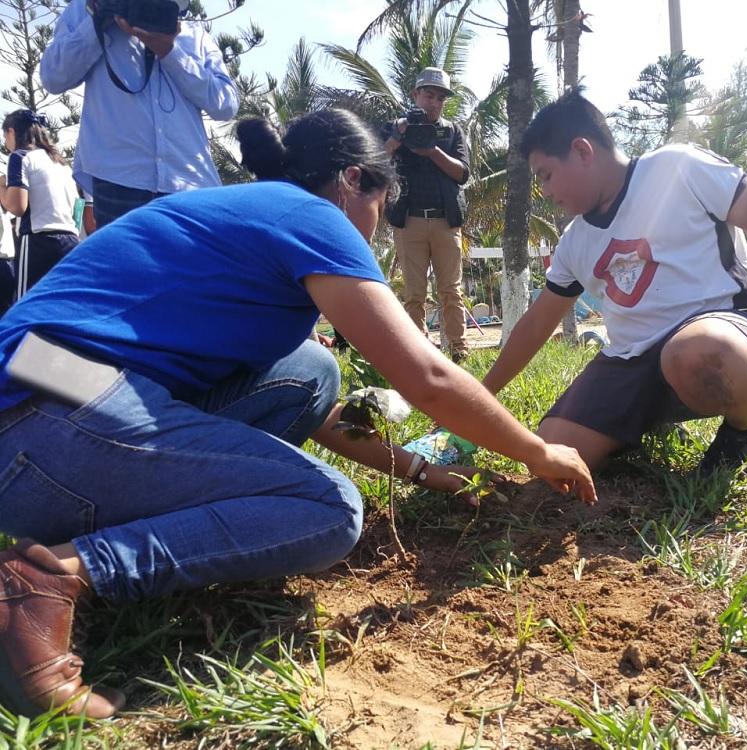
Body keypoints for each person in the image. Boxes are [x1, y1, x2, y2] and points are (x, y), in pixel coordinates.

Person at [0, 109, 595, 720]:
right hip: (41, 419)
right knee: (329, 510)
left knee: (310, 368)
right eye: (379, 207)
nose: (373, 233)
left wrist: (421, 470)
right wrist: (537, 450)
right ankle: (48, 575)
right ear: (352, 180)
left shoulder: (251, 214)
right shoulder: (314, 216)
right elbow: (429, 378)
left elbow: (316, 407)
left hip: (50, 403)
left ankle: (117, 540)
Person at [482, 89, 747, 476]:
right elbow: (537, 324)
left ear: (583, 151)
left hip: (722, 330)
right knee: (555, 452)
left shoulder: (678, 169)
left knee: (696, 355)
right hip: (631, 358)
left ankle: (746, 424)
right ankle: (647, 418)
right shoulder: (575, 241)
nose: (545, 191)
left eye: (546, 175)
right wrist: (482, 396)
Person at [40, 0, 239, 228]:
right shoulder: (87, 8)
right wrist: (97, 23)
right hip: (119, 179)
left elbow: (226, 105)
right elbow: (53, 77)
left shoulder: (195, 34)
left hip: (191, 180)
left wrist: (169, 51)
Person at [384, 67, 470, 361]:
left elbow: (462, 173)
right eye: (429, 95)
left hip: (446, 221)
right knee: (414, 294)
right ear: (415, 95)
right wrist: (398, 136)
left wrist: (432, 151)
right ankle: (417, 354)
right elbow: (376, 162)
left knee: (451, 291)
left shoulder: (452, 131)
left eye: (440, 98)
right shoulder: (396, 128)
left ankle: (459, 351)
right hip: (409, 221)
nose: (434, 103)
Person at [0, 110, 80, 301]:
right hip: (71, 240)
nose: (6, 143)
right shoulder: (62, 164)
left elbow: (17, 206)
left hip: (38, 241)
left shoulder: (20, 157)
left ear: (12, 132)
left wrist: (2, 188)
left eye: (5, 137)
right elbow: (78, 206)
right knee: (63, 302)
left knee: (27, 304)